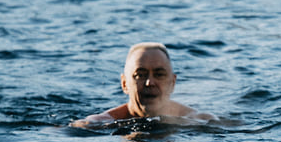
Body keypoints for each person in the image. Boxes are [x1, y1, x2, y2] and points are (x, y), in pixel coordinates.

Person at [72, 42, 215, 127]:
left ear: (172, 83)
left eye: (159, 74)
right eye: (140, 75)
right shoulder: (98, 124)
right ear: (124, 84)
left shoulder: (200, 122)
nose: (150, 83)